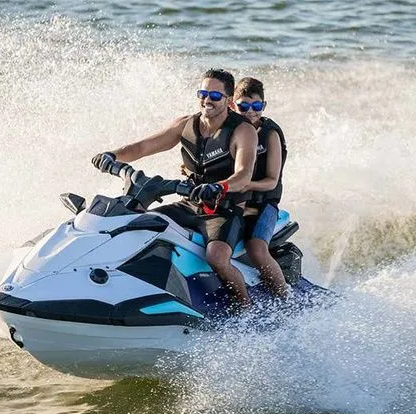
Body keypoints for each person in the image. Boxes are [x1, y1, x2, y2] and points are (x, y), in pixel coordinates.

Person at [92, 69, 258, 308]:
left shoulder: (243, 131)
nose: (207, 100)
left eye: (214, 95)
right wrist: (112, 155)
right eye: (202, 93)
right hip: (189, 203)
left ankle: (246, 309)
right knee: (136, 223)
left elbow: (243, 175)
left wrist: (219, 187)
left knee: (217, 257)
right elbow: (142, 147)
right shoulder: (186, 125)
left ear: (229, 101)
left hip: (223, 209)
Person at [230, 77, 290, 298]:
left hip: (263, 202)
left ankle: (285, 298)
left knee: (256, 248)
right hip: (235, 199)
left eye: (256, 106)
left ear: (263, 106)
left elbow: (272, 180)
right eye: (243, 106)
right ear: (232, 105)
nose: (250, 112)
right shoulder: (228, 129)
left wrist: (243, 184)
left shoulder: (270, 134)